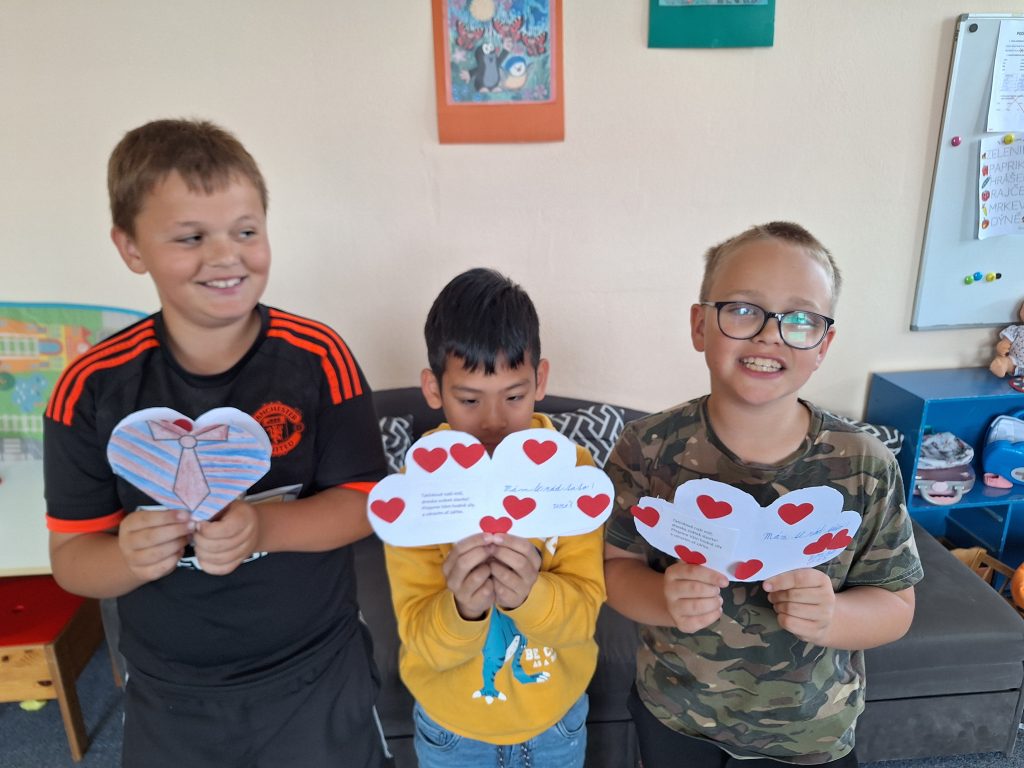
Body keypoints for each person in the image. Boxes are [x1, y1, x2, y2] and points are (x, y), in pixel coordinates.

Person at [43, 119, 389, 768]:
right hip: (171, 693)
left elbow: (366, 501)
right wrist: (129, 556)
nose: (226, 255)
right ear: (131, 247)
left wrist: (262, 527)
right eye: (191, 237)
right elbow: (72, 558)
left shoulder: (319, 358)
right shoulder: (90, 388)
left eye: (246, 231)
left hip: (317, 674)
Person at [603, 222, 922, 768]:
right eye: (743, 310)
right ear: (700, 325)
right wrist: (662, 598)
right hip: (675, 714)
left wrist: (832, 617)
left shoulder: (865, 465)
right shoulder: (647, 447)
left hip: (809, 735)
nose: (770, 335)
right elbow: (615, 569)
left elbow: (895, 604)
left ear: (823, 345)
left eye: (800, 319)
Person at [383, 267, 605, 768]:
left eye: (514, 396)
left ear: (540, 380)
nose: (493, 423)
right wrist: (464, 608)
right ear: (433, 389)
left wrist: (529, 595)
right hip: (451, 728)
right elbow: (422, 640)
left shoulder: (573, 475)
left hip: (556, 722)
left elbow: (582, 619)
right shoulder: (418, 489)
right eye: (468, 400)